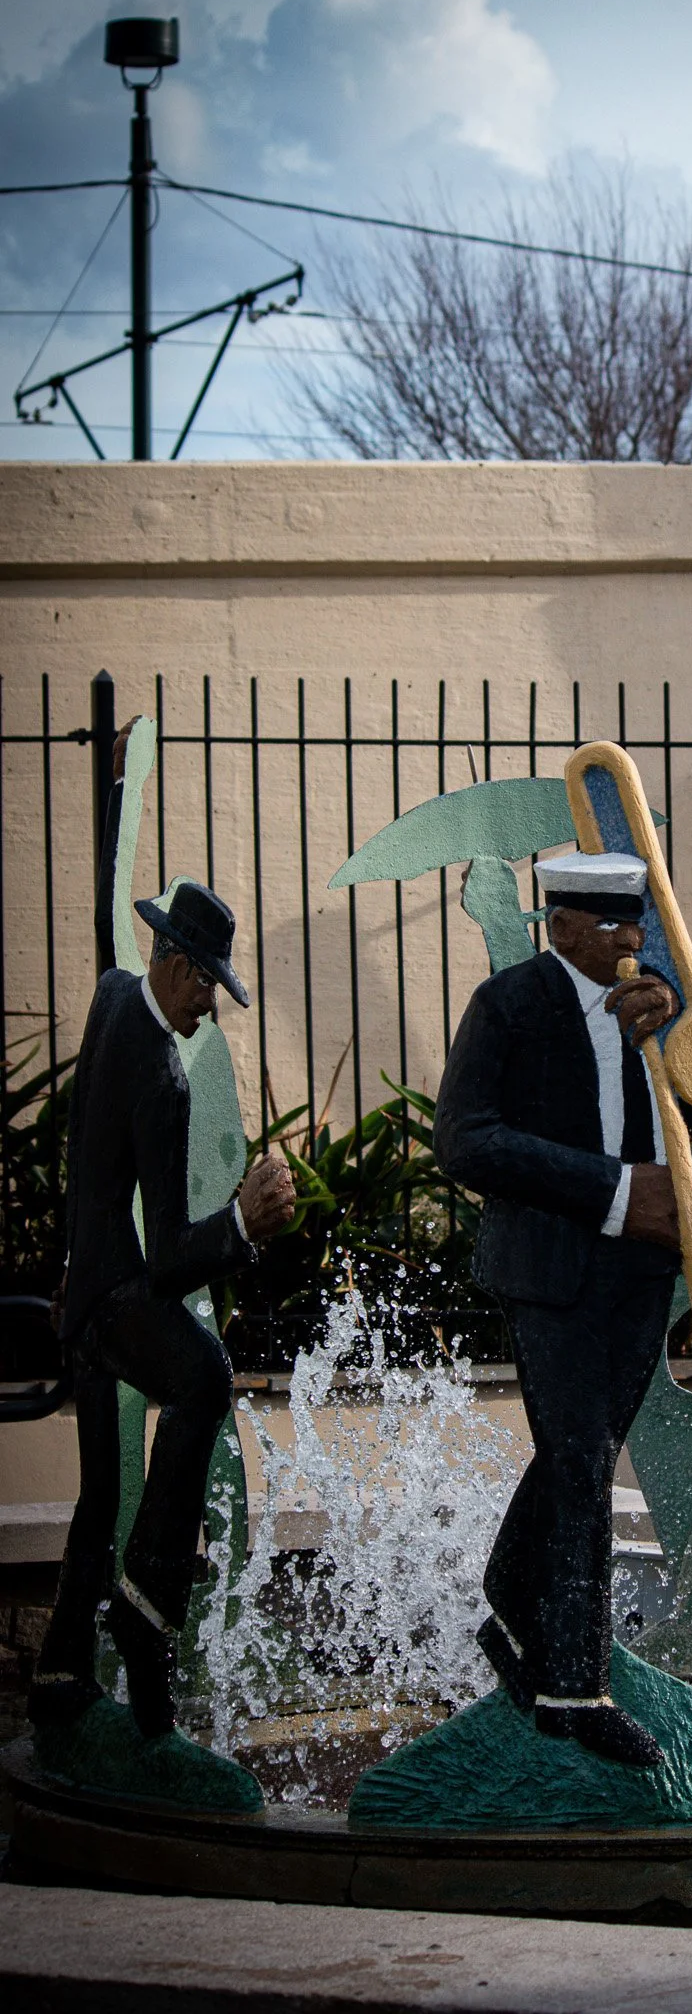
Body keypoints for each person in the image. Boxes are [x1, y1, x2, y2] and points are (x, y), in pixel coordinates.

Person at [435, 851, 692, 1767]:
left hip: (643, 1274)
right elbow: (466, 1141)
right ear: (560, 925)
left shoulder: (658, 998)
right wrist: (614, 1191)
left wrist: (682, 1046)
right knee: (578, 1468)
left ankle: (510, 1602)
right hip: (551, 1271)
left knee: (585, 1455)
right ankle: (576, 1690)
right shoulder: (510, 1005)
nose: (627, 940)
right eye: (606, 924)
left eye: (635, 923)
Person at [30, 723, 294, 1740]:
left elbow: (83, 1169)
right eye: (207, 991)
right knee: (206, 1378)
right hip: (113, 1301)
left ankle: (59, 1675)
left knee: (101, 1494)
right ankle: (147, 1615)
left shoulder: (107, 1001)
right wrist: (246, 1217)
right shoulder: (167, 1074)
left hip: (82, 1288)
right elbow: (179, 1256)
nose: (208, 1014)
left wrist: (67, 1264)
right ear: (176, 964)